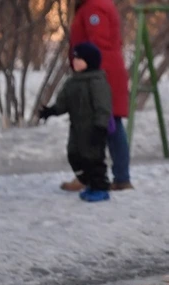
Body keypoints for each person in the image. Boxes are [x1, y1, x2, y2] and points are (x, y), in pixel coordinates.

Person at [65, 0, 132, 192]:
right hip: (105, 72)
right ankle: (119, 177)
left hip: (101, 74)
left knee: (101, 123)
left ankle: (92, 177)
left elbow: (98, 43)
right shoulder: (94, 6)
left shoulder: (94, 7)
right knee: (110, 123)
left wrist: (87, 72)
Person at [38, 43, 113, 203]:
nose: (75, 62)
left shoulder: (97, 81)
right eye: (75, 58)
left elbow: (103, 106)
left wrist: (101, 126)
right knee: (74, 155)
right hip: (77, 128)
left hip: (93, 128)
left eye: (80, 59)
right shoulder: (72, 82)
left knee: (93, 158)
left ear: (90, 62)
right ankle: (87, 182)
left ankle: (99, 187)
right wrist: (51, 111)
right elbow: (63, 103)